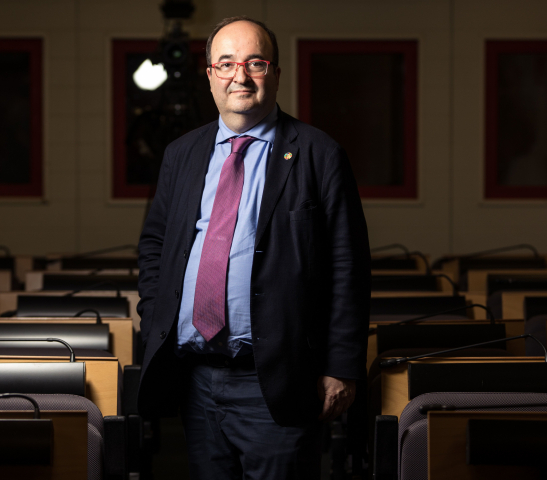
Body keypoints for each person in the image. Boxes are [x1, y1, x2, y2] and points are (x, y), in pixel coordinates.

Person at [136, 16, 371, 480]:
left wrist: (342, 367)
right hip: (196, 378)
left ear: (276, 73)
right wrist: (155, 317)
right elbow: (155, 245)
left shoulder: (319, 154)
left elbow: (349, 267)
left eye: (255, 63)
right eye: (226, 64)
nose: (239, 76)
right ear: (210, 76)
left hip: (278, 379)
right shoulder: (182, 154)